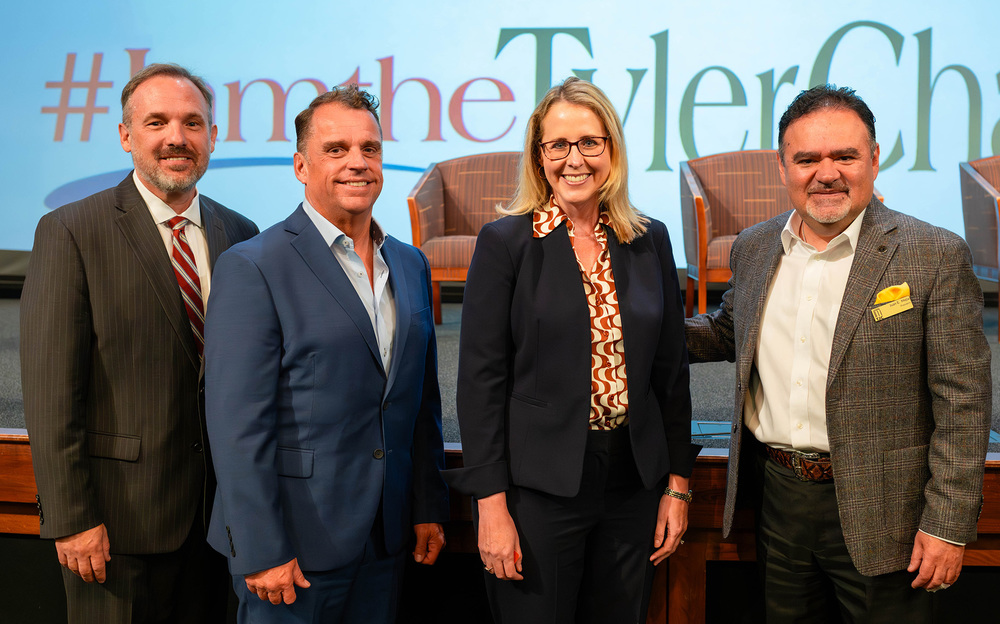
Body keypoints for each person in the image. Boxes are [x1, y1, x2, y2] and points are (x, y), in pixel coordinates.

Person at [685, 85, 991, 622]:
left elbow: (963, 405)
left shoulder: (933, 254)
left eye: (845, 156)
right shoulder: (755, 246)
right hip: (778, 500)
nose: (826, 174)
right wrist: (629, 327)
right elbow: (730, 330)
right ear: (783, 167)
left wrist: (947, 524)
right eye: (807, 159)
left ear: (874, 159)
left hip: (888, 513)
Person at [445, 77, 700, 624]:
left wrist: (678, 486)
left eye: (589, 142)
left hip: (634, 483)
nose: (574, 159)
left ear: (612, 149)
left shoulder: (649, 238)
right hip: (538, 488)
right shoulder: (505, 242)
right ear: (539, 157)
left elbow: (670, 373)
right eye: (557, 145)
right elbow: (480, 384)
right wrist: (491, 505)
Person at [21, 63, 259, 623]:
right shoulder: (71, 231)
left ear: (212, 136)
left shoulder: (242, 235)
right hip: (114, 529)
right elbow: (52, 394)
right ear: (126, 135)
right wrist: (72, 518)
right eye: (157, 122)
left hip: (217, 524)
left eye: (192, 123)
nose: (177, 137)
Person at [203, 85, 449, 623]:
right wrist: (261, 548)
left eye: (369, 149)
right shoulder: (254, 265)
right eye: (336, 149)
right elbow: (236, 426)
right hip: (291, 551)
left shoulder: (410, 264)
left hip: (386, 541)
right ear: (301, 166)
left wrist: (427, 505)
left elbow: (418, 401)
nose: (357, 162)